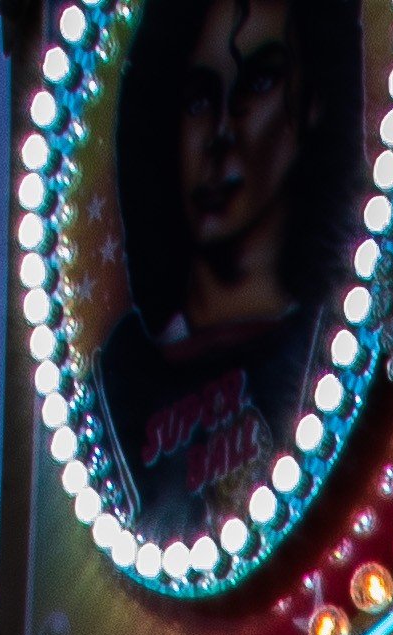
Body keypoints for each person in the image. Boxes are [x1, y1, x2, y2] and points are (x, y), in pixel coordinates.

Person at [91, 0, 368, 543]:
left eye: (258, 81)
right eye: (197, 97)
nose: (221, 129)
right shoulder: (119, 384)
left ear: (312, 101)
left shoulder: (338, 332)